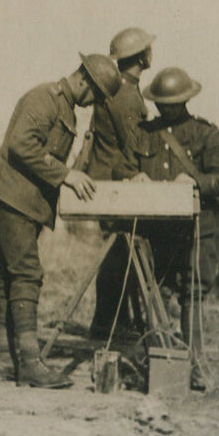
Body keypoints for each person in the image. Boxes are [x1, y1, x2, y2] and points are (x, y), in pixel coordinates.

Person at [0, 53, 120, 388]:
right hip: (13, 197)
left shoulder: (65, 108)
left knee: (9, 274)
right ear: (84, 79)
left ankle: (0, 358)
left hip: (23, 200)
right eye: (96, 95)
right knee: (27, 273)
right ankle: (29, 362)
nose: (93, 103)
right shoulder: (44, 98)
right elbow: (21, 145)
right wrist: (65, 174)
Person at [130, 67, 219, 368]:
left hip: (197, 230)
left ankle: (195, 364)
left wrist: (195, 182)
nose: (167, 108)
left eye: (174, 102)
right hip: (158, 231)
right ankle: (160, 363)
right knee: (156, 291)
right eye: (162, 103)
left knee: (194, 293)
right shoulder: (144, 134)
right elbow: (122, 168)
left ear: (186, 99)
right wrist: (133, 177)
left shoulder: (206, 133)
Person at [87, 27, 155, 339]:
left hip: (110, 180)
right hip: (117, 184)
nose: (151, 53)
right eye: (147, 49)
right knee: (122, 251)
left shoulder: (120, 89)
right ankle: (107, 323)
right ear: (141, 56)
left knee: (121, 250)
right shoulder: (127, 96)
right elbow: (135, 146)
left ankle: (116, 322)